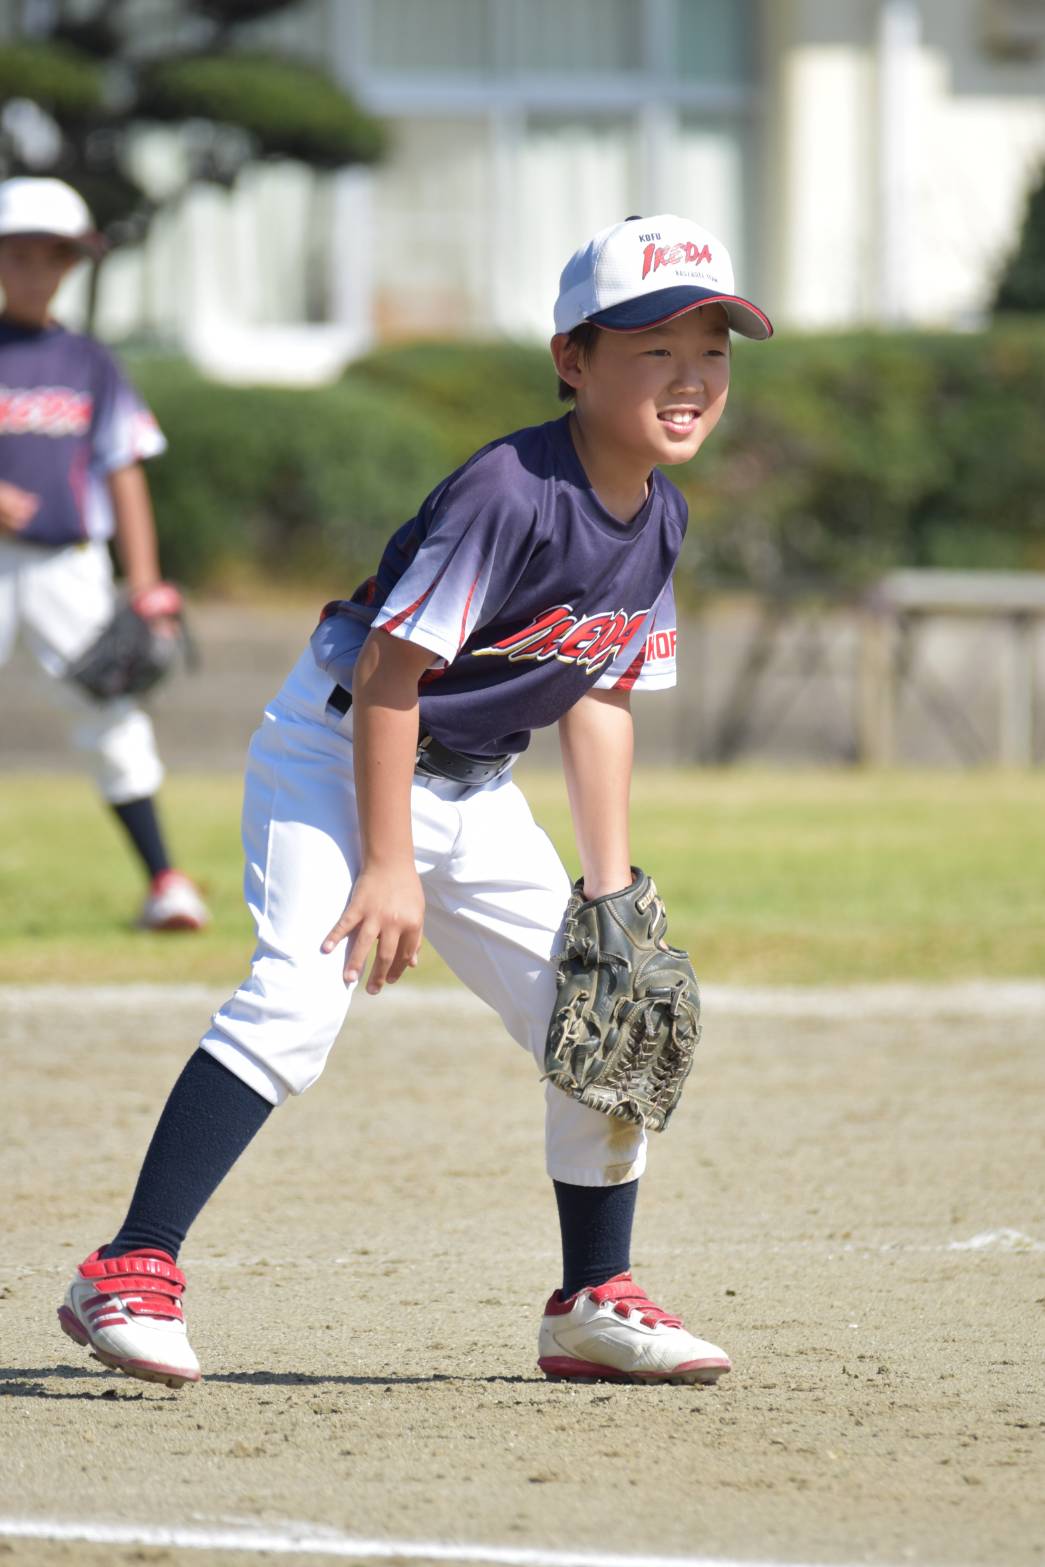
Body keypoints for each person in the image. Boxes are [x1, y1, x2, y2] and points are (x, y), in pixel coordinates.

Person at [56, 213, 772, 1388]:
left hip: (475, 784)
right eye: (654, 348)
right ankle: (128, 1268)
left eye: (712, 349)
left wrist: (609, 891)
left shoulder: (661, 516)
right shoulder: (510, 491)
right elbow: (394, 674)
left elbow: (599, 698)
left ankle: (591, 1299)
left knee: (603, 1012)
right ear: (572, 359)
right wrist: (388, 864)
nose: (690, 376)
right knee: (296, 1001)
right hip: (340, 750)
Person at [0, 176, 208, 931]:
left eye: (51, 256)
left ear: (72, 263)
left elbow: (124, 468)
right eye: (18, 255)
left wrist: (145, 582)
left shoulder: (89, 361)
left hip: (68, 565)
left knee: (112, 714)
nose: (35, 270)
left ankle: (166, 882)